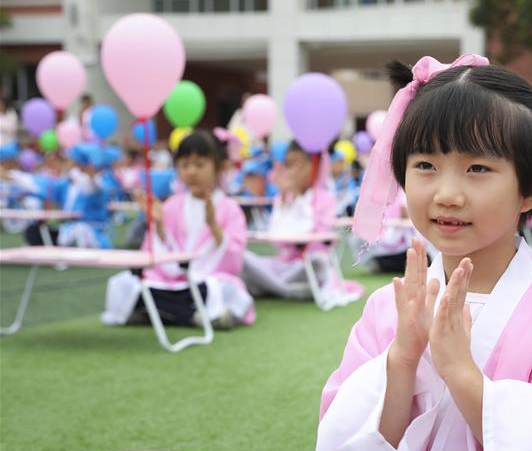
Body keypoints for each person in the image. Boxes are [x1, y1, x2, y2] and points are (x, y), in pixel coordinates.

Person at [312, 55, 532, 451]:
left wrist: (461, 373)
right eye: (426, 166)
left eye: (477, 169)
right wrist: (402, 358)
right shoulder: (388, 308)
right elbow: (350, 446)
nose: (447, 194)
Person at [101, 130, 255, 329]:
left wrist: (213, 224)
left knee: (222, 290)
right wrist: (158, 224)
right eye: (185, 165)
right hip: (169, 281)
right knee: (124, 284)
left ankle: (162, 312)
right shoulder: (172, 205)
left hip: (207, 280)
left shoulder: (229, 208)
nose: (192, 171)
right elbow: (155, 255)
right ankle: (191, 315)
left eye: (200, 164)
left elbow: (234, 263)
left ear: (217, 167)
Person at [242, 141, 363, 307]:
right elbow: (276, 238)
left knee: (317, 262)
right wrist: (286, 203)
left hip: (308, 265)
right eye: (289, 165)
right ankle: (284, 289)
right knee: (244, 259)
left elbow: (316, 239)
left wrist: (299, 200)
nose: (293, 172)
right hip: (284, 265)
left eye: (299, 165)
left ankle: (272, 287)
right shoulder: (283, 199)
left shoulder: (323, 198)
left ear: (314, 166)